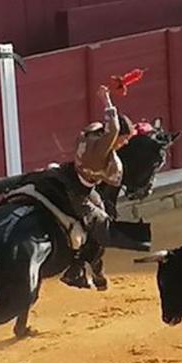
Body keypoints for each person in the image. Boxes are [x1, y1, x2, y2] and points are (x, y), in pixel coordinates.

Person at [61, 84, 134, 291]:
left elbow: (108, 129)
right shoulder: (105, 153)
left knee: (100, 206)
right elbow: (114, 129)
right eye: (125, 140)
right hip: (80, 193)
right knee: (103, 228)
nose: (125, 143)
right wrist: (106, 100)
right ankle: (74, 270)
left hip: (69, 175)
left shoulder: (90, 134)